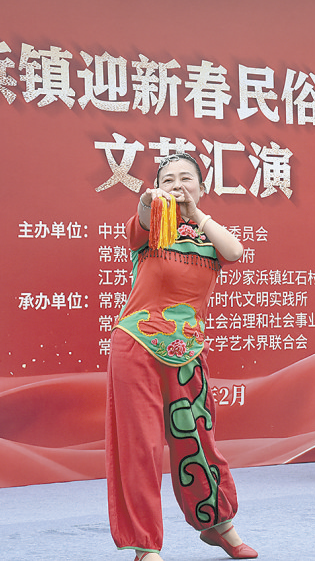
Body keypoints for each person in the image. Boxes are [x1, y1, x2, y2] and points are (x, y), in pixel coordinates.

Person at [105, 153, 257, 561]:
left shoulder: (210, 238)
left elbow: (235, 252)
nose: (177, 185)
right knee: (142, 447)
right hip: (137, 345)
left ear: (202, 188)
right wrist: (148, 201)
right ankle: (145, 546)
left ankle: (218, 525)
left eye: (186, 178)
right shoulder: (150, 228)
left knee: (198, 438)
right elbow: (141, 217)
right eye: (168, 179)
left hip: (187, 349)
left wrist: (196, 214)